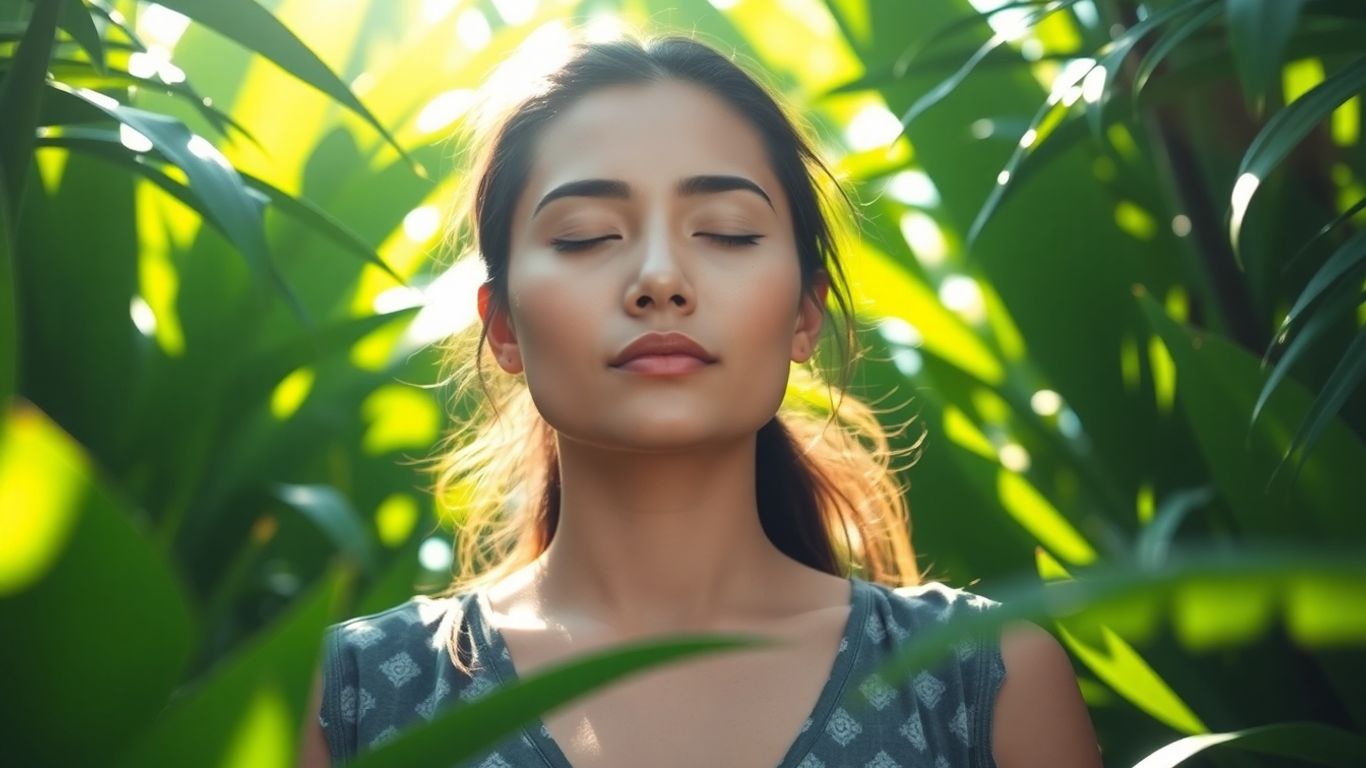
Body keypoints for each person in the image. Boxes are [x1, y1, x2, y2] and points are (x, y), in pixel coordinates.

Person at [299, 33, 1100, 768]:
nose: (659, 281)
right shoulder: (362, 696)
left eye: (724, 232)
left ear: (803, 314)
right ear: (503, 326)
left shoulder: (981, 681)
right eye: (584, 235)